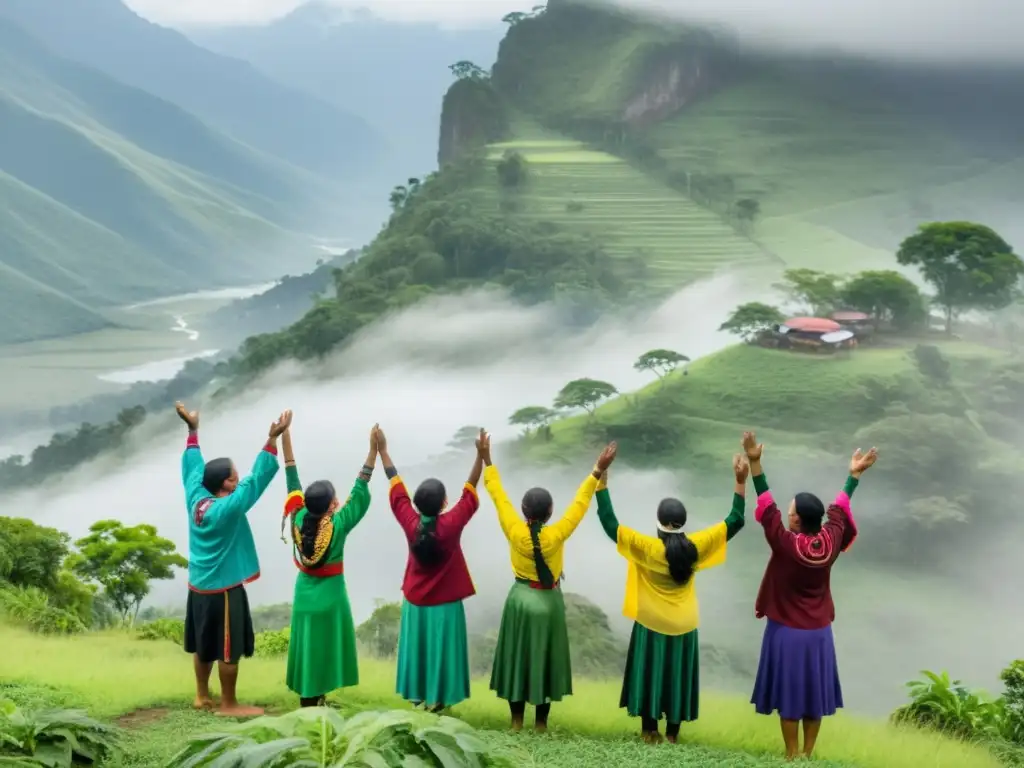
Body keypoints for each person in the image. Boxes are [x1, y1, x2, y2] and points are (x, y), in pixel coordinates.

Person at [595, 453, 749, 744]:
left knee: (651, 672)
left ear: (658, 522)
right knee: (676, 675)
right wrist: (740, 481)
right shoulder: (697, 546)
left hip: (651, 621)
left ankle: (648, 730)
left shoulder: (647, 547)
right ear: (683, 523)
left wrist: (601, 478)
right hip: (684, 623)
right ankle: (673, 735)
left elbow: (608, 522)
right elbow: (736, 520)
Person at [745, 430, 877, 760]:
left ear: (796, 519)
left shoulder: (786, 543)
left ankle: (791, 755)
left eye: (790, 511)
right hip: (818, 632)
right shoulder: (830, 539)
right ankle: (807, 753)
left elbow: (765, 503)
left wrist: (755, 462)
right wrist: (853, 475)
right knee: (812, 696)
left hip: (787, 631)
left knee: (790, 698)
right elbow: (840, 508)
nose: (786, 513)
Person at [483, 437, 619, 732]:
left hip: (520, 598)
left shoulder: (514, 530)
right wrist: (597, 470)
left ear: (523, 511)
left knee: (518, 658)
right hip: (548, 600)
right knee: (544, 659)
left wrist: (487, 460)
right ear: (550, 513)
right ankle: (541, 723)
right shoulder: (557, 534)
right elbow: (579, 505)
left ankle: (516, 721)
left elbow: (498, 497)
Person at [177, 401, 290, 717]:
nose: (239, 480)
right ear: (225, 484)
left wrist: (193, 430)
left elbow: (192, 465)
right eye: (234, 477)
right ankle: (228, 704)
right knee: (228, 647)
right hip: (224, 589)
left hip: (198, 585)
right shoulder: (226, 509)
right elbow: (255, 483)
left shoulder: (195, 496)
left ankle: (201, 695)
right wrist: (272, 440)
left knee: (203, 642)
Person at [379, 425, 486, 712]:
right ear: (444, 503)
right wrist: (482, 457)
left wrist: (382, 451)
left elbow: (396, 488)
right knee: (442, 652)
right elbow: (471, 490)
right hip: (446, 604)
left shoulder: (409, 521)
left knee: (420, 651)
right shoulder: (451, 524)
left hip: (415, 601)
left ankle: (421, 701)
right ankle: (440, 703)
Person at [282, 420, 377, 707]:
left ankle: (309, 698)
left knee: (310, 647)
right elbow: (360, 489)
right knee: (325, 648)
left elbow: (291, 478)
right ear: (332, 504)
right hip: (332, 596)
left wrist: (284, 436)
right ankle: (319, 696)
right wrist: (374, 450)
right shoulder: (339, 523)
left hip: (304, 596)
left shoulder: (297, 517)